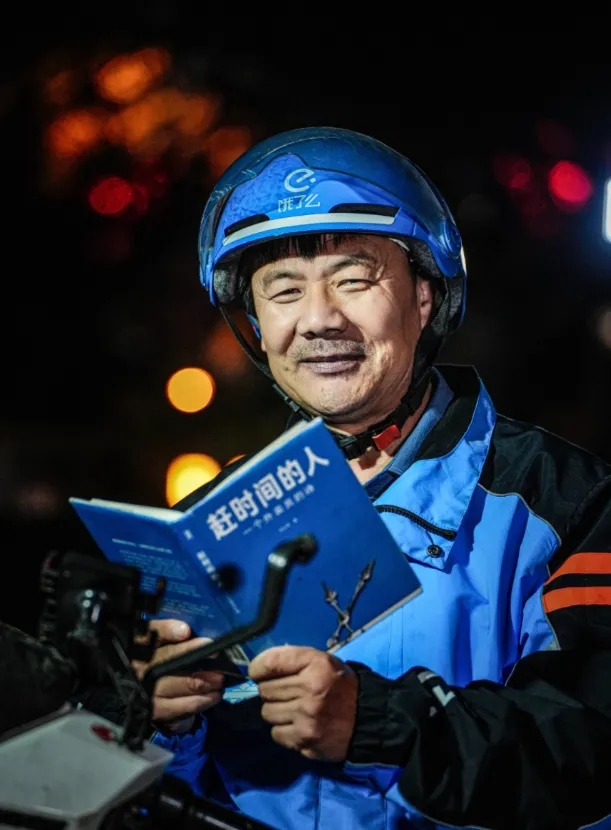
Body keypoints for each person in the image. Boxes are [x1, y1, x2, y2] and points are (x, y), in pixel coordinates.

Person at [135, 127, 611, 830]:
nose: (318, 320)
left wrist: (380, 722)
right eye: (283, 290)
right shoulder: (207, 527)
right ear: (256, 326)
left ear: (425, 296)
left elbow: (589, 744)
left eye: (353, 279)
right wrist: (159, 721)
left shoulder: (565, 502)